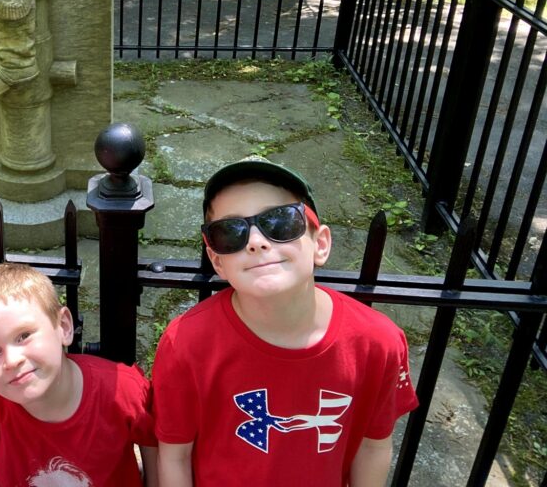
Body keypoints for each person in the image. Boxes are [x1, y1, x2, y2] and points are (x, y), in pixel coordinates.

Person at [152, 158, 419, 486]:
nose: (256, 241)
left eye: (279, 222)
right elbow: (175, 454)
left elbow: (373, 446)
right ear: (217, 261)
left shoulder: (378, 342)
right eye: (230, 232)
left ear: (320, 244)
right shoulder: (187, 343)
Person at [0, 262, 158, 486]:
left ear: (64, 327)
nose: (12, 361)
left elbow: (154, 445)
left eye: (23, 336)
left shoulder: (121, 390)